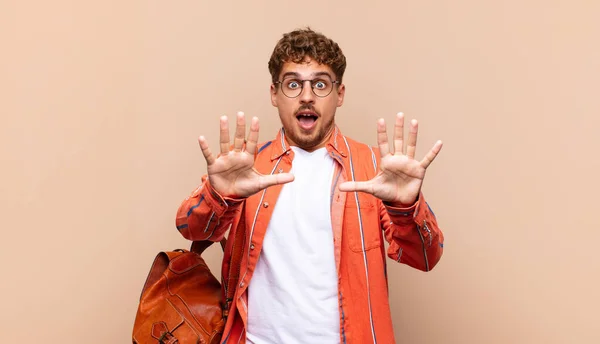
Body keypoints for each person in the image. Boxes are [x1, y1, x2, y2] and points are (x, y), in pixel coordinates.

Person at [175, 27, 445, 344]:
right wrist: (219, 196)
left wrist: (405, 206)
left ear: (339, 94)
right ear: (274, 94)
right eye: (293, 84)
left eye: (320, 84)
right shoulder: (245, 167)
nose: (306, 96)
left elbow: (426, 258)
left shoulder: (374, 168)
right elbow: (192, 230)